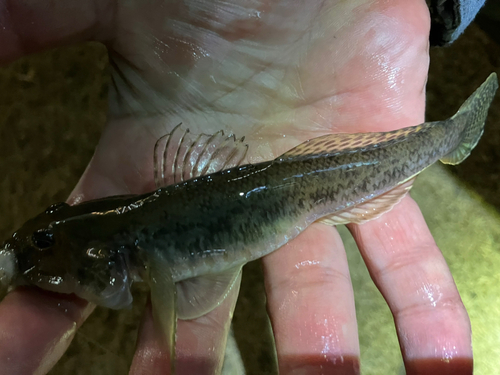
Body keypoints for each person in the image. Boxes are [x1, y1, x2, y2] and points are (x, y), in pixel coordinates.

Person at [0, 0, 486, 374]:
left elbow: (186, 292)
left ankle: (451, 134)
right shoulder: (125, 234)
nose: (40, 249)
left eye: (47, 242)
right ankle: (449, 134)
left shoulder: (133, 241)